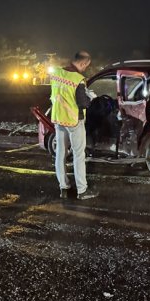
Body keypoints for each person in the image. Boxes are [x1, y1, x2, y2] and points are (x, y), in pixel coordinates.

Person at [49, 50, 97, 200]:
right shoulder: (78, 79)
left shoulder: (57, 73)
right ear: (83, 63)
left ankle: (64, 188)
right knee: (78, 155)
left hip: (58, 118)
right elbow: (83, 103)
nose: (85, 69)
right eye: (86, 66)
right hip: (74, 120)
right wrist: (91, 99)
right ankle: (82, 191)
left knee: (61, 154)